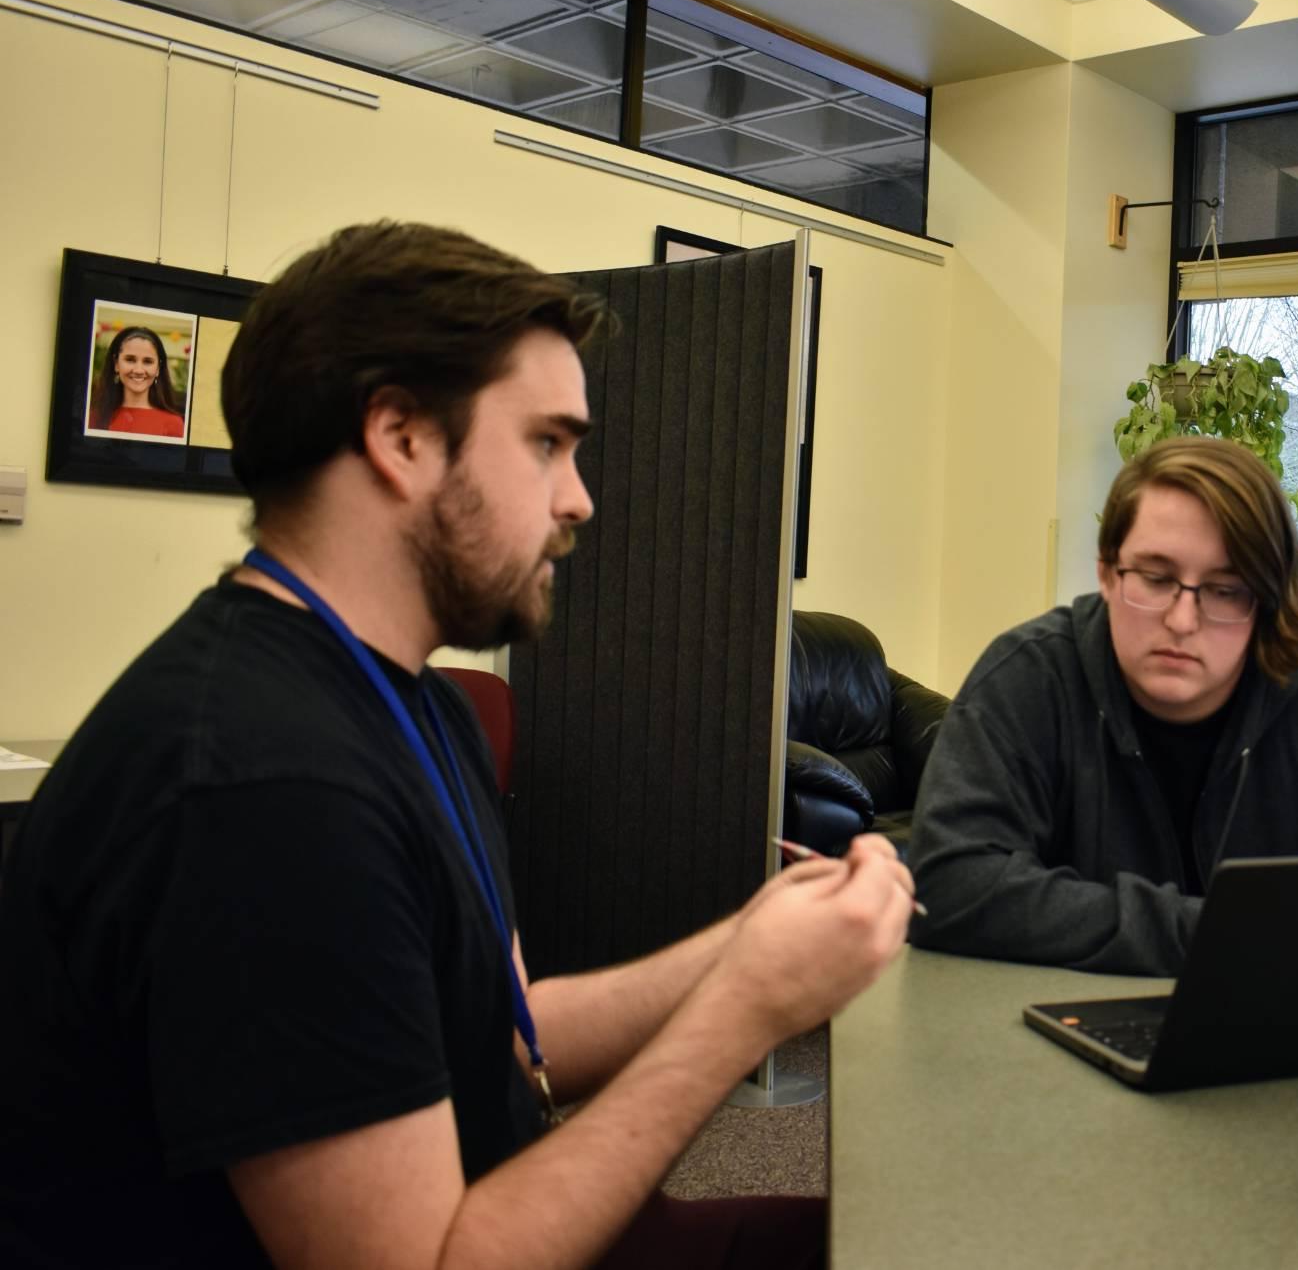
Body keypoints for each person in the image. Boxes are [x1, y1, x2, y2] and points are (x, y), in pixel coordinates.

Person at [0, 222, 914, 1269]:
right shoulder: (263, 786)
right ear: (400, 438)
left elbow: (507, 1029)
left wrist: (748, 940)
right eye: (545, 443)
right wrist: (748, 1008)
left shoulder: (414, 704)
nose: (579, 499)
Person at [906, 436, 1298, 976]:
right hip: (1048, 1057)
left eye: (1225, 589)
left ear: (1265, 601)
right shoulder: (1029, 676)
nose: (1182, 621)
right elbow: (950, 887)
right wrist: (1224, 935)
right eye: (1155, 579)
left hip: (1286, 1062)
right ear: (1107, 574)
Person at [88, 322, 187, 437]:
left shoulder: (174, 424)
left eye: (147, 361)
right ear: (116, 364)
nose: (138, 370)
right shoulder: (93, 418)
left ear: (158, 369)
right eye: (130, 359)